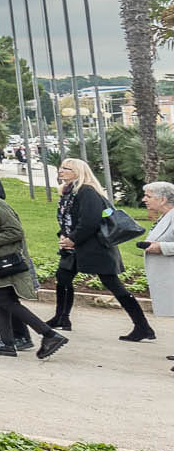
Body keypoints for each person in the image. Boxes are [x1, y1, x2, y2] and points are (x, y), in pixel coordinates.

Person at [50, 157, 155, 341]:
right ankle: (62, 318)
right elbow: (69, 219)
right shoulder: (69, 192)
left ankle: (143, 327)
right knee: (63, 278)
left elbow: (90, 221)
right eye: (61, 167)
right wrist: (63, 235)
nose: (60, 171)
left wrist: (72, 239)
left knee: (113, 284)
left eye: (65, 168)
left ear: (78, 172)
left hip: (96, 247)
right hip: (76, 247)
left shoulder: (86, 191)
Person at [0, 171, 67, 361]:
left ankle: (49, 334)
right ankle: (8, 342)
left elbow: (15, 231)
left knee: (4, 300)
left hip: (3, 262)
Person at [139, 182, 174, 371]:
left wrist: (162, 247)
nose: (144, 199)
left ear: (163, 199)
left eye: (148, 196)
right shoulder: (166, 216)